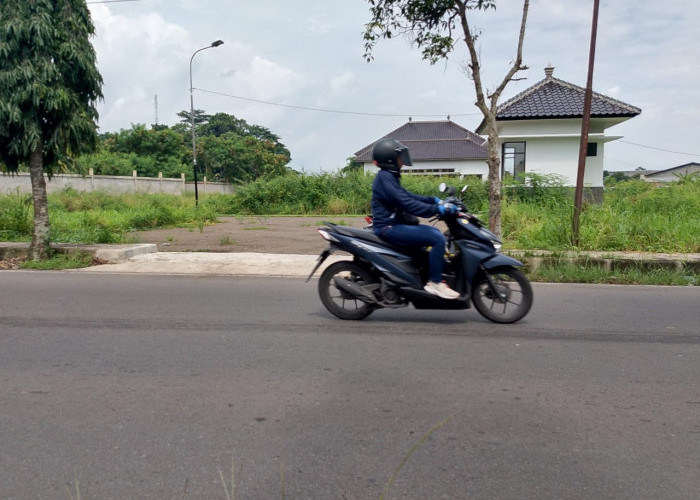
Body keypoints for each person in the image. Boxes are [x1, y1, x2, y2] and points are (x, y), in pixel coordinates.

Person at [370, 137, 460, 300]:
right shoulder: (385, 178)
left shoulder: (389, 177)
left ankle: (424, 273)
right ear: (389, 159)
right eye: (399, 157)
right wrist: (436, 209)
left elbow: (408, 196)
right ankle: (435, 282)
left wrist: (432, 200)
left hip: (394, 223)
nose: (402, 161)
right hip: (388, 227)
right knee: (437, 238)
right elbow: (406, 203)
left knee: (433, 232)